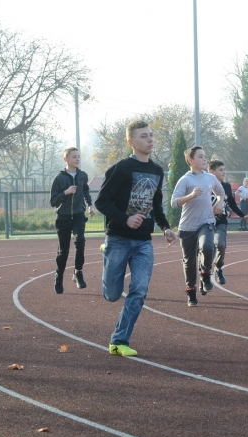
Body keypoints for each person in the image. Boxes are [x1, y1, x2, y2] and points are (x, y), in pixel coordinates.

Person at [95, 121, 178, 357]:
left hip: (143, 241)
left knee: (139, 289)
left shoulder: (157, 171)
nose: (150, 139)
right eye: (144, 136)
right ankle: (107, 253)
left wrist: (165, 227)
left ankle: (119, 340)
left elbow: (156, 203)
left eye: (151, 135)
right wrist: (125, 219)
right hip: (119, 238)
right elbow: (101, 202)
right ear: (131, 142)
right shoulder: (121, 168)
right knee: (112, 295)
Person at [170, 146, 225, 306]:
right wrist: (191, 195)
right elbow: (174, 203)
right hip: (187, 226)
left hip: (206, 221)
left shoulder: (210, 178)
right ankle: (191, 292)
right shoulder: (185, 180)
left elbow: (221, 192)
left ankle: (206, 272)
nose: (204, 159)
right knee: (189, 262)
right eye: (200, 157)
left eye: (205, 156)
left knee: (208, 246)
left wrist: (220, 202)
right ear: (190, 161)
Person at [49, 147, 94, 294]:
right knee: (63, 251)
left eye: (79, 156)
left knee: (80, 241)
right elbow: (53, 201)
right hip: (63, 218)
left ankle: (77, 273)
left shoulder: (83, 176)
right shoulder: (59, 178)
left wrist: (90, 206)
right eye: (74, 157)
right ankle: (59, 276)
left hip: (79, 215)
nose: (77, 159)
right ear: (66, 159)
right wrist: (65, 193)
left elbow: (85, 191)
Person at [209, 160, 248, 284]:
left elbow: (232, 204)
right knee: (207, 249)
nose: (224, 172)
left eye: (224, 169)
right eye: (220, 170)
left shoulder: (226, 187)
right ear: (212, 171)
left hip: (221, 221)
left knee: (221, 245)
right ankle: (205, 275)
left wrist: (243, 216)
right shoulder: (205, 184)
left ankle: (218, 268)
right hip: (206, 222)